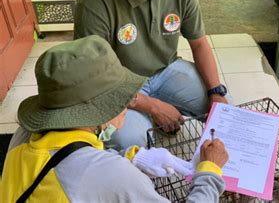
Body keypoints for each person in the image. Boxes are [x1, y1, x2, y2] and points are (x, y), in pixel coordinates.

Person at [0, 36, 229, 202]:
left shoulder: (25, 134)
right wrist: (209, 171)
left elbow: (68, 162)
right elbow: (90, 174)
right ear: (99, 112)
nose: (128, 104)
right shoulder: (112, 176)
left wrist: (132, 157)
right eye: (122, 98)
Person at [73, 0, 229, 150]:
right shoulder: (96, 0)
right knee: (130, 142)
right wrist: (154, 107)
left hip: (166, 70)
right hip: (117, 85)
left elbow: (199, 44)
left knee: (221, 111)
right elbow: (96, 79)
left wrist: (216, 92)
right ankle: (150, 118)